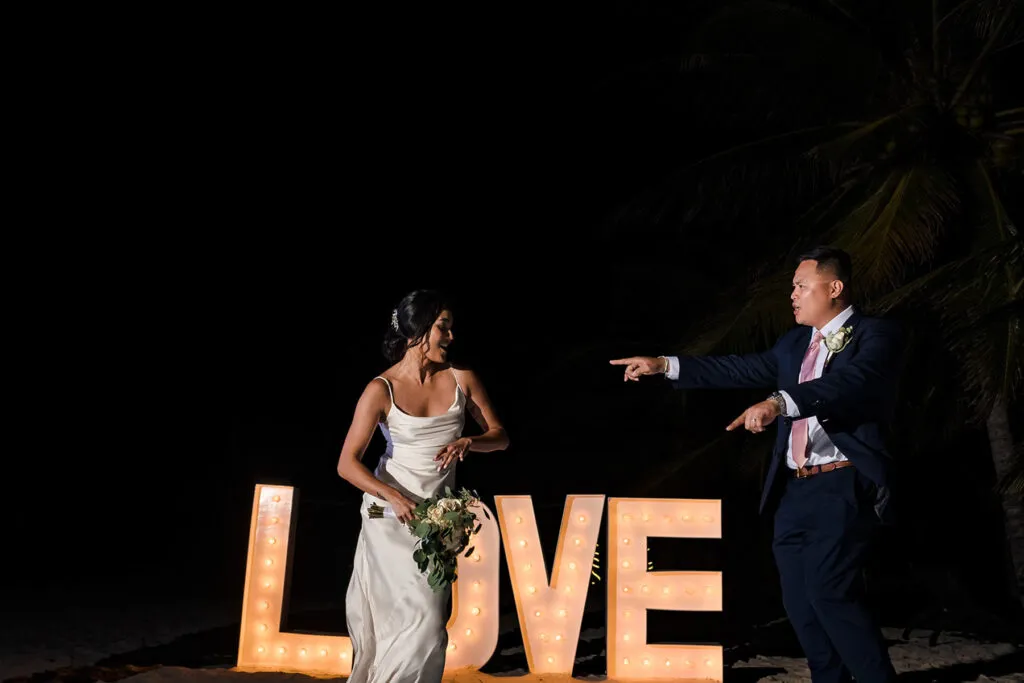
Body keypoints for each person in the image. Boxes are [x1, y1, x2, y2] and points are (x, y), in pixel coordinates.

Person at [610, 246, 902, 683]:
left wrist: (778, 402)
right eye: (792, 287)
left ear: (835, 288)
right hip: (795, 488)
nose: (793, 295)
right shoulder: (793, 343)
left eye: (802, 286)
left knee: (829, 592)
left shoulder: (876, 335)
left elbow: (850, 382)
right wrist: (664, 365)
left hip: (842, 482)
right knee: (799, 602)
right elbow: (739, 368)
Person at [336, 289, 509, 683]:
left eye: (450, 329)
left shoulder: (463, 379)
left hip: (437, 523)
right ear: (416, 331)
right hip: (388, 520)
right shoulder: (381, 389)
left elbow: (500, 436)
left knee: (429, 624)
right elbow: (347, 464)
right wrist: (392, 495)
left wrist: (471, 441)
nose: (450, 337)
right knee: (397, 623)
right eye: (443, 328)